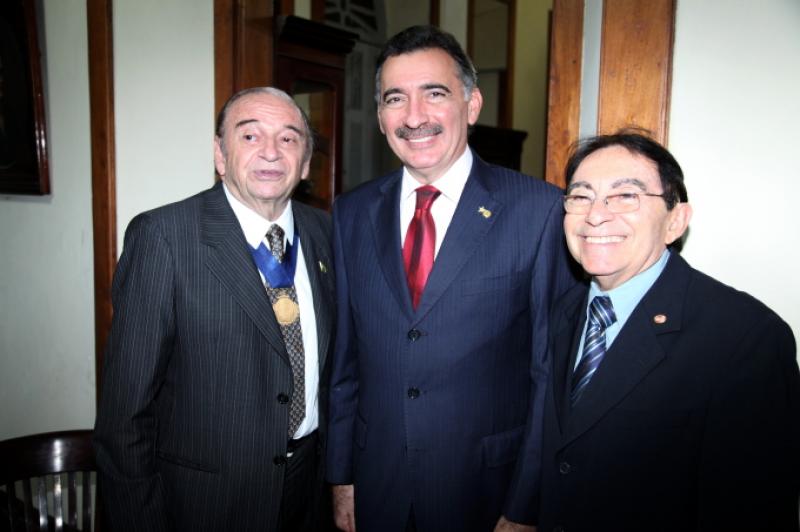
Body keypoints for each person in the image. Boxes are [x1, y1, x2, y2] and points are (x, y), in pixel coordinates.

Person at [326, 25, 576, 532]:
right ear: (380, 117)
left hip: (486, 490)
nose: (414, 116)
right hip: (378, 484)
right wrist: (342, 475)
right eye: (395, 98)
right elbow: (345, 361)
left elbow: (551, 375)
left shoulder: (540, 210)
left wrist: (525, 504)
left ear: (472, 104)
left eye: (434, 93)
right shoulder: (350, 213)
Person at [94, 87, 335, 532]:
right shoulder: (164, 238)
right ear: (220, 154)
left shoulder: (326, 233)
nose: (270, 152)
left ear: (305, 162)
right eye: (250, 136)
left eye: (288, 138)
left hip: (308, 490)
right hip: (205, 502)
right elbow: (124, 415)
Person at [537, 131, 800, 531]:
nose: (596, 215)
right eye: (581, 196)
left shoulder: (745, 338)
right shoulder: (561, 312)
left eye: (625, 196)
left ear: (675, 221)